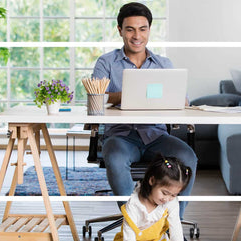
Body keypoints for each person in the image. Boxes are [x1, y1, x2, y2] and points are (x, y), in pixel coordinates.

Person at [91, 2, 197, 219]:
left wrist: (180, 100)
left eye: (142, 29)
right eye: (130, 29)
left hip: (155, 135)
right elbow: (96, 98)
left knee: (188, 157)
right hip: (121, 136)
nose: (136, 35)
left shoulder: (163, 64)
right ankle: (134, 222)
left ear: (149, 30)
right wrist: (127, 95)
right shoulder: (107, 63)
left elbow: (180, 99)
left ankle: (173, 221)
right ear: (120, 30)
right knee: (116, 158)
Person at [113, 156, 192, 241]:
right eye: (165, 193)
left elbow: (175, 228)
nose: (167, 199)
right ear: (152, 180)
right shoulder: (134, 204)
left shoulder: (171, 202)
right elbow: (129, 237)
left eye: (173, 195)